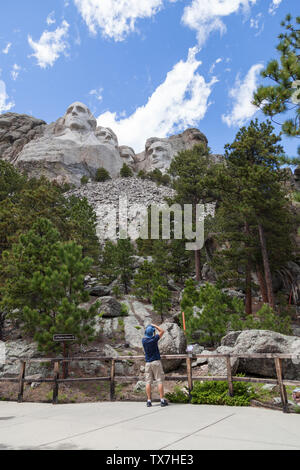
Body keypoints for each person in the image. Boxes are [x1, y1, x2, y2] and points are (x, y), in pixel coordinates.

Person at [142, 323, 168, 407]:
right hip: (156, 362)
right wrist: (154, 325)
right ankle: (162, 400)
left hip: (148, 363)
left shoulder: (144, 340)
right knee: (159, 380)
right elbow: (162, 331)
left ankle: (149, 401)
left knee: (148, 382)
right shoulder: (154, 339)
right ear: (153, 333)